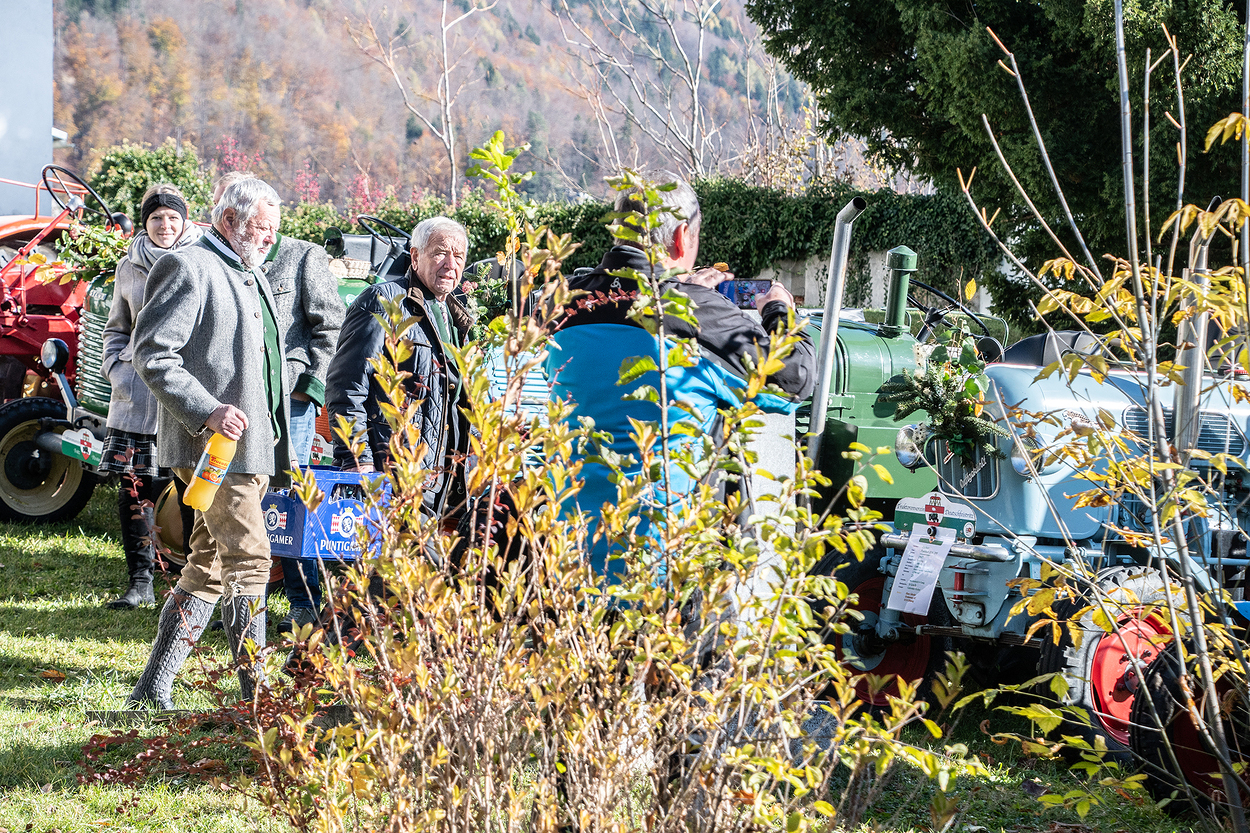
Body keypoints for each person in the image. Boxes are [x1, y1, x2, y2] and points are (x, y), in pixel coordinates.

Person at [544, 172, 816, 579]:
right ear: (681, 236)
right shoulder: (698, 313)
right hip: (663, 569)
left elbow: (623, 297)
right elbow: (795, 379)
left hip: (566, 560)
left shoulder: (563, 302)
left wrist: (678, 285)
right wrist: (778, 309)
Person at [126, 177, 291, 709]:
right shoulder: (188, 266)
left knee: (210, 564)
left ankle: (151, 690)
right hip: (213, 448)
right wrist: (208, 411)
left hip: (249, 447)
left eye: (274, 229)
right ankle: (257, 701)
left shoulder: (248, 270)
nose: (270, 238)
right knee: (250, 560)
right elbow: (152, 355)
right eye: (262, 227)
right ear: (229, 220)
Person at [210, 172, 345, 631]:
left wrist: (308, 385)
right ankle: (246, 603)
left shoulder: (302, 256)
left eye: (270, 225)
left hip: (291, 405)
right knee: (240, 496)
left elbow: (331, 326)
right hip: (234, 404)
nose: (265, 235)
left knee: (290, 498)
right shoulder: (221, 261)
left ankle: (303, 602)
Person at [325, 216, 472, 522]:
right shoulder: (383, 301)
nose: (450, 264)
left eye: (458, 256)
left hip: (442, 483)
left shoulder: (456, 316)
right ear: (415, 256)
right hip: (393, 474)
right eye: (440, 253)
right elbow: (346, 385)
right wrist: (357, 458)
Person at [100, 184, 203, 609]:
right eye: (156, 218)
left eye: (173, 217)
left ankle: (187, 586)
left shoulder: (202, 259)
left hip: (183, 393)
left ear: (184, 220)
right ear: (145, 223)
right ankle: (140, 582)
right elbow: (116, 327)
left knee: (188, 489)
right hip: (135, 394)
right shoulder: (129, 265)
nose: (165, 225)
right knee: (134, 488)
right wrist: (116, 370)